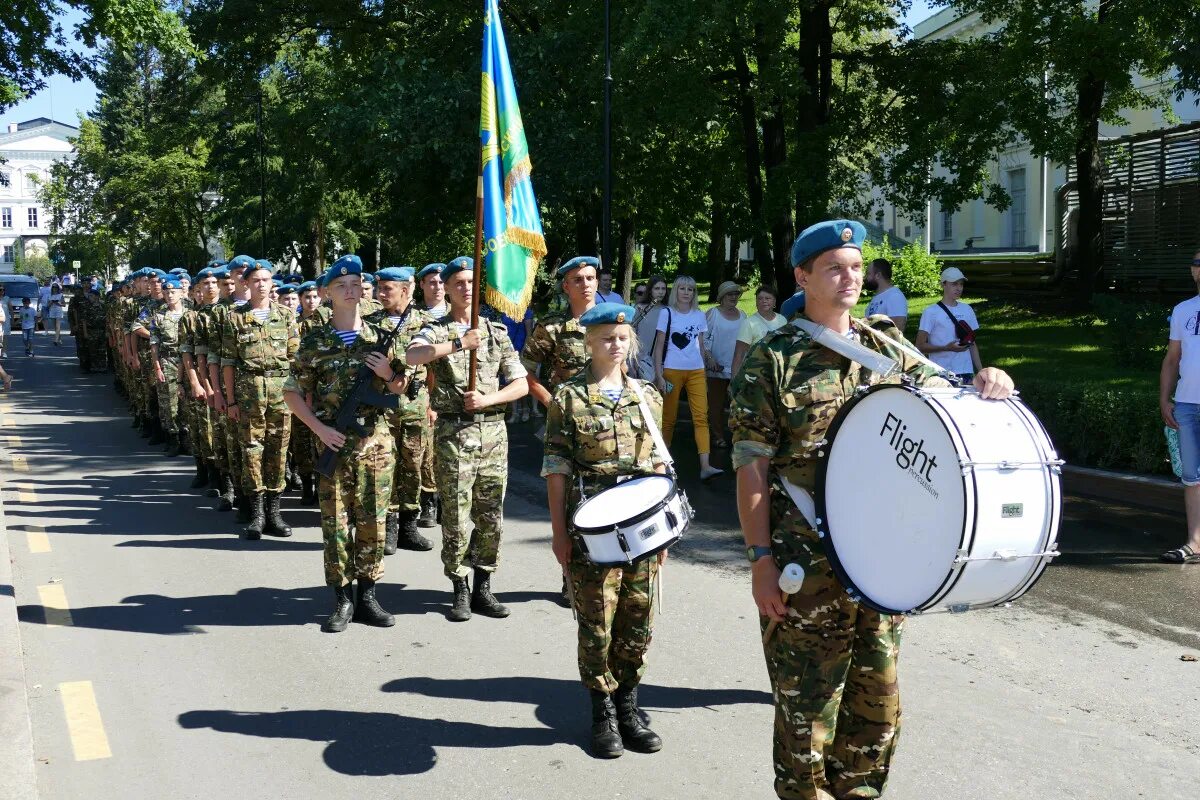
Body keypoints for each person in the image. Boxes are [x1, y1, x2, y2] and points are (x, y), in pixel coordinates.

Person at [730, 219, 1015, 800]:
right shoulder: (773, 361)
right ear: (803, 275)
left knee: (877, 714)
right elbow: (752, 468)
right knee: (807, 716)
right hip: (804, 568)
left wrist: (987, 378)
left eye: (856, 266)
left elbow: (946, 399)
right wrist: (760, 559)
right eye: (834, 267)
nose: (849, 277)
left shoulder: (885, 344)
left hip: (883, 568)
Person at [542, 302, 667, 759]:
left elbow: (657, 462)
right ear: (588, 342)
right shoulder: (568, 397)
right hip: (591, 527)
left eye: (621, 338)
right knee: (597, 623)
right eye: (605, 339)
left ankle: (629, 705)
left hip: (641, 528)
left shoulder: (646, 395)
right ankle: (602, 714)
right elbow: (555, 467)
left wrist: (662, 532)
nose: (615, 345)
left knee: (638, 620)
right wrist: (558, 533)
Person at [286, 254, 409, 632]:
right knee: (335, 523)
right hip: (333, 445)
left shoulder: (380, 336)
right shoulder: (315, 341)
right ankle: (341, 598)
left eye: (356, 284)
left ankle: (368, 596)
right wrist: (319, 430)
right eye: (342, 285)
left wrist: (388, 372)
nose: (351, 290)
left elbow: (403, 388)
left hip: (376, 444)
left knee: (373, 521)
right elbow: (292, 392)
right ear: (327, 293)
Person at [406, 256, 529, 622]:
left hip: (493, 432)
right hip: (454, 433)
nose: (466, 288)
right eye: (458, 282)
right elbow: (413, 356)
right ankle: (458, 586)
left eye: (472, 282)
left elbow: (520, 383)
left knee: (490, 516)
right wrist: (459, 344)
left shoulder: (496, 331)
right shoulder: (436, 328)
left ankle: (483, 587)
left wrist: (488, 399)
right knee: (457, 516)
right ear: (446, 287)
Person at [220, 260, 299, 539]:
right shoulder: (234, 318)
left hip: (281, 391)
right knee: (252, 450)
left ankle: (275, 513)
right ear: (246, 284)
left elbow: (295, 359)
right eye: (256, 280)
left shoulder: (287, 316)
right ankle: (256, 514)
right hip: (249, 391)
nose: (261, 284)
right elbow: (228, 362)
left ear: (272, 284)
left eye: (266, 280)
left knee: (278, 450)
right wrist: (230, 401)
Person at [365, 266, 435, 554]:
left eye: (387, 289)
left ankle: (409, 526)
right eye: (379, 288)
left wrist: (433, 404)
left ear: (406, 290)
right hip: (383, 408)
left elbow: (435, 369)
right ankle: (390, 527)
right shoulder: (371, 323)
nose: (381, 294)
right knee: (386, 465)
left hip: (416, 405)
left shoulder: (427, 323)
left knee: (413, 465)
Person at [652, 275, 722, 480]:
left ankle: (706, 466)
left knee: (701, 418)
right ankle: (662, 465)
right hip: (671, 371)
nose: (686, 292)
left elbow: (700, 346)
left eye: (690, 289)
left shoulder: (699, 315)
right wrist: (659, 375)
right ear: (676, 291)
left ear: (694, 293)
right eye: (682, 288)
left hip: (697, 372)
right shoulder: (667, 312)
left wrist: (708, 366)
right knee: (669, 419)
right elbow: (658, 347)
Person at [1160, 248, 1200, 564]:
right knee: (1191, 476)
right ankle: (1194, 542)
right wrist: (1164, 399)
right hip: (1186, 405)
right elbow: (1172, 359)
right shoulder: (1183, 310)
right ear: (1192, 272)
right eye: (1197, 263)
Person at [916, 267, 981, 383]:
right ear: (943, 285)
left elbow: (972, 344)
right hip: (940, 373)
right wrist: (946, 348)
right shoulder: (931, 312)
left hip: (966, 372)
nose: (959, 288)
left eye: (961, 284)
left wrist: (980, 372)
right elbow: (920, 346)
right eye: (954, 284)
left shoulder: (967, 309)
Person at [148, 276, 188, 457]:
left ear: (181, 292)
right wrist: (157, 367)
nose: (170, 295)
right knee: (169, 402)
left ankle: (187, 438)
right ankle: (173, 439)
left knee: (188, 402)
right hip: (168, 361)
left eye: (173, 292)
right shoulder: (159, 316)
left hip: (189, 363)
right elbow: (154, 344)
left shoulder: (190, 313)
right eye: (166, 292)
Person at [703, 281, 745, 449]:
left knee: (738, 406)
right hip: (716, 367)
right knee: (716, 405)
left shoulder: (743, 315)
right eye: (729, 294)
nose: (733, 297)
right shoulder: (713, 313)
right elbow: (702, 338)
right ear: (721, 297)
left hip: (737, 368)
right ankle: (717, 436)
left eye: (736, 294)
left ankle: (739, 437)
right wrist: (710, 358)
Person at [732, 285, 785, 377]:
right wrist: (734, 380)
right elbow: (739, 354)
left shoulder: (782, 320)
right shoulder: (748, 323)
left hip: (779, 372)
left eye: (768, 298)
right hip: (757, 374)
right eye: (760, 298)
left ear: (774, 302)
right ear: (756, 302)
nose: (764, 301)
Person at [632, 275, 668, 379]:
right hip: (642, 359)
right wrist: (633, 360)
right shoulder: (639, 309)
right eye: (657, 288)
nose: (660, 292)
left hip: (663, 359)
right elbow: (632, 334)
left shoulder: (668, 310)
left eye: (663, 288)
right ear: (650, 290)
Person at [864, 258, 908, 331]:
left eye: (868, 274)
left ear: (878, 275)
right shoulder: (879, 296)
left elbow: (898, 329)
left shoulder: (895, 296)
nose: (865, 277)